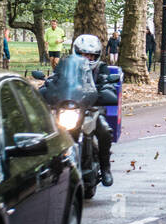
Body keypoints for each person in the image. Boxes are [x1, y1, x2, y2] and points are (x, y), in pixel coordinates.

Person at [40, 34, 118, 187]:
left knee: (104, 130)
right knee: (45, 130)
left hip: (92, 109)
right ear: (76, 53)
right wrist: (46, 88)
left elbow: (105, 83)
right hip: (68, 108)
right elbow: (55, 80)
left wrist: (106, 92)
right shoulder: (66, 66)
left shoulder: (100, 68)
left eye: (91, 55)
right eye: (83, 54)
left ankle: (105, 168)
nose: (87, 58)